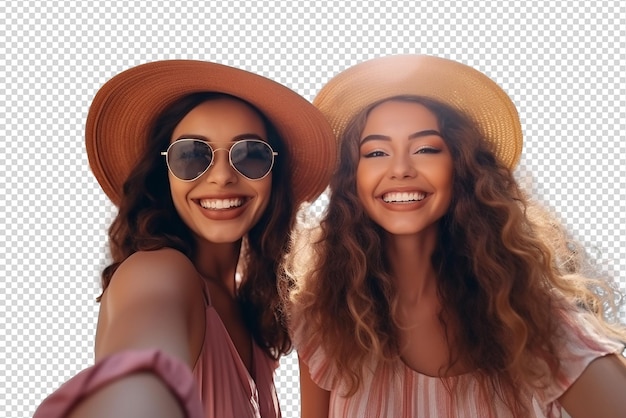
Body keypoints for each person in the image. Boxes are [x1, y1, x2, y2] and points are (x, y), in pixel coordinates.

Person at [288, 55, 626, 418]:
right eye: (376, 152)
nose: (400, 169)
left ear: (461, 167)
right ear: (352, 179)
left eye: (426, 149)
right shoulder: (323, 318)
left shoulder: (528, 318)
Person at [33, 60, 335, 418]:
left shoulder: (251, 314)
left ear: (273, 174)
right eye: (192, 155)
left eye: (250, 155)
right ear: (165, 175)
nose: (222, 176)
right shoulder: (159, 271)